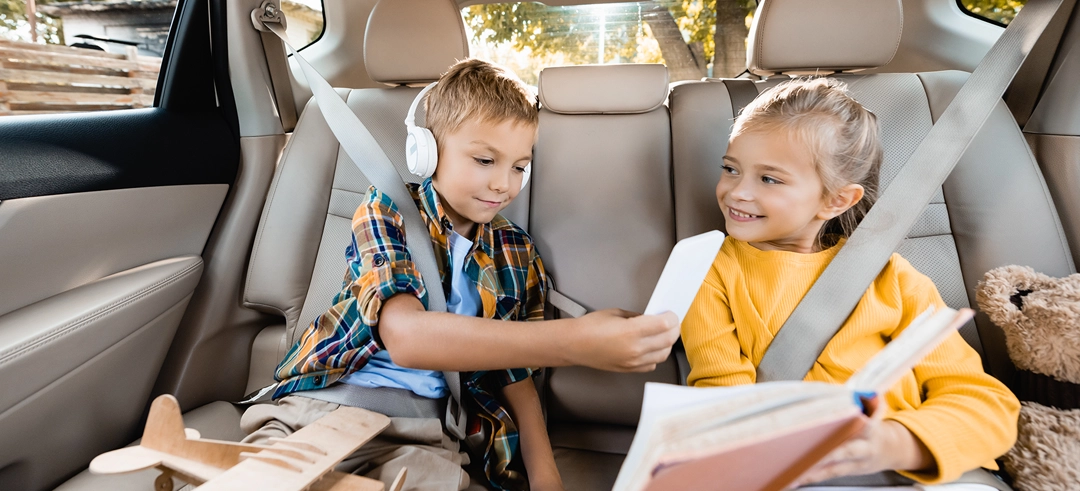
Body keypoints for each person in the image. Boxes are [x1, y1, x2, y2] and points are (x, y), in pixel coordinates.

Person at [241, 59, 678, 491]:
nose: (503, 184)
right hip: (320, 407)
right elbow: (406, 336)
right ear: (426, 150)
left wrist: (546, 476)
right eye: (485, 160)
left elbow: (516, 373)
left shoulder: (515, 251)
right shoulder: (387, 209)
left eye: (519, 167)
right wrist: (578, 342)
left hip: (424, 435)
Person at [680, 78, 1020, 488]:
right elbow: (724, 398)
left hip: (913, 468)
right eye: (731, 169)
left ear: (836, 200)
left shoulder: (892, 279)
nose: (737, 192)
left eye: (769, 179)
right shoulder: (709, 273)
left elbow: (987, 406)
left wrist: (895, 442)